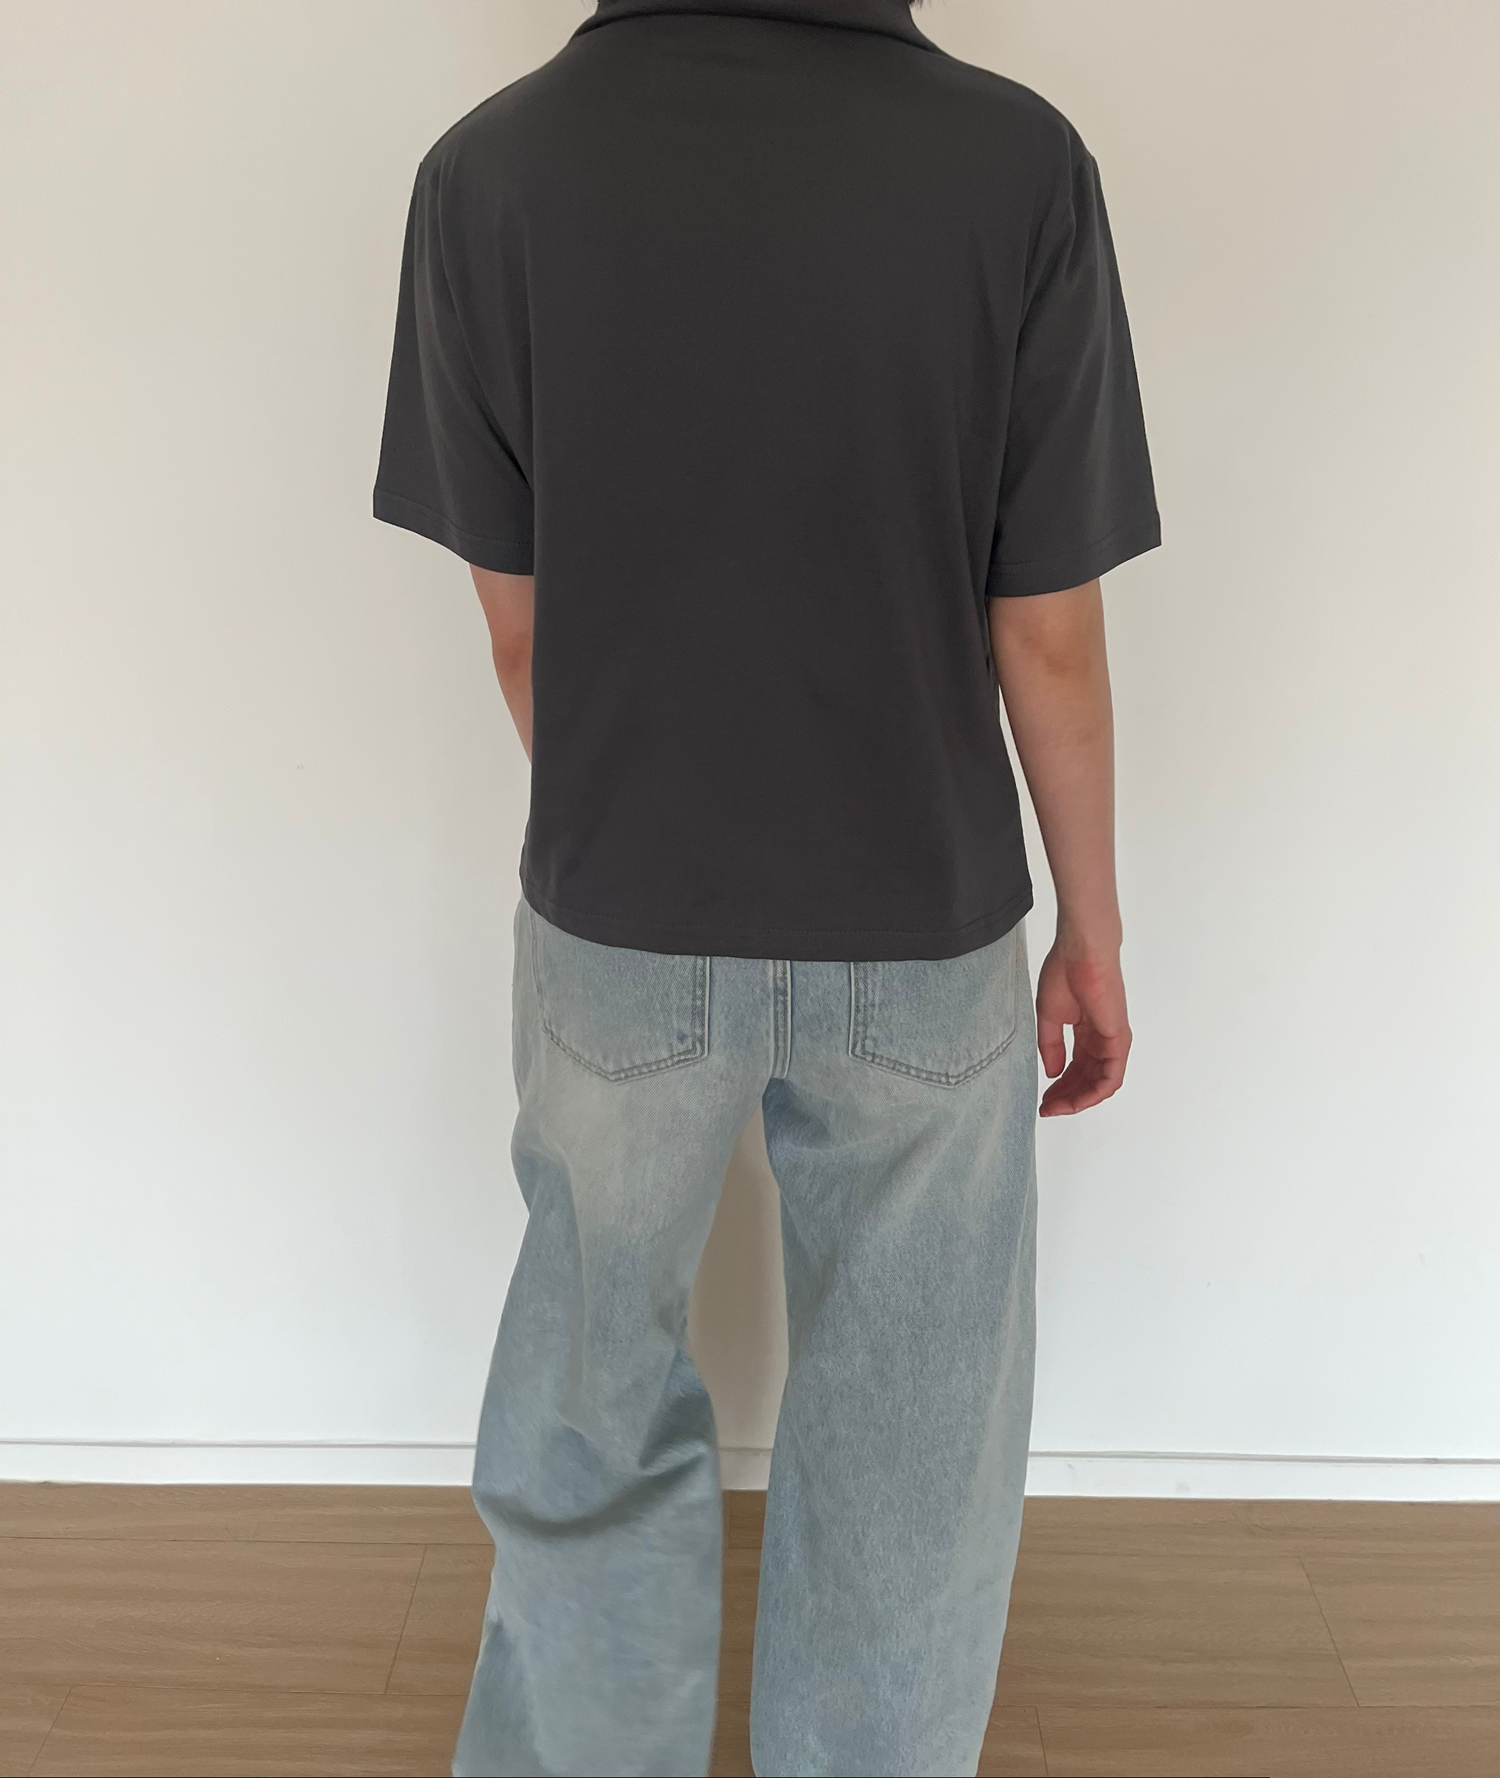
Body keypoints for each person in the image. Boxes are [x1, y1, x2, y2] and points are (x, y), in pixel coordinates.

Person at [374, 2, 1158, 1772]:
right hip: (927, 915)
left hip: (617, 906)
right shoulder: (1019, 167)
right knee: (911, 1443)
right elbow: (1045, 632)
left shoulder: (487, 176)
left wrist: (650, 823)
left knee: (588, 1408)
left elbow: (524, 637)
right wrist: (1093, 930)